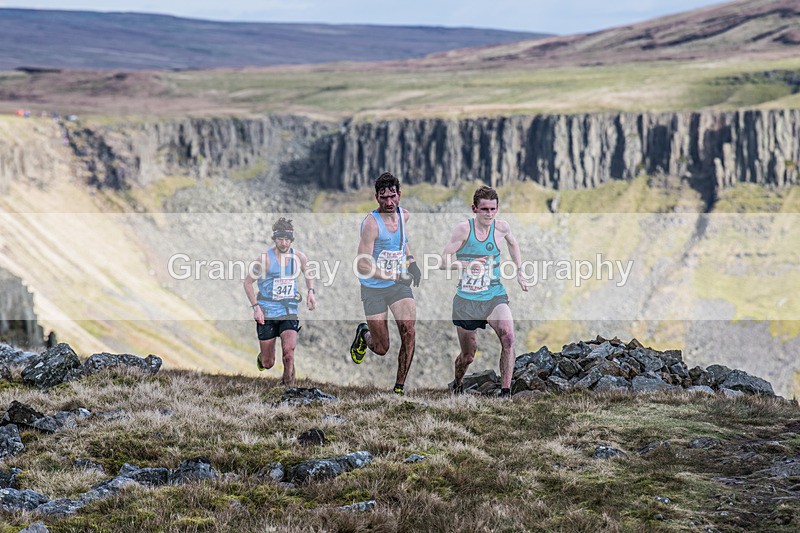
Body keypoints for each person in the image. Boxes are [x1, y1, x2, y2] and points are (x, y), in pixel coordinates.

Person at [440, 185, 528, 397]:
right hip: (467, 300)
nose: (489, 214)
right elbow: (443, 261)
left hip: (493, 295)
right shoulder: (464, 230)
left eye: (493, 209)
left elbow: (513, 244)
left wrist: (520, 270)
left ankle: (505, 393)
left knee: (508, 336)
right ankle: (458, 384)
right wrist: (466, 265)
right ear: (474, 209)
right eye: (484, 209)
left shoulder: (501, 228)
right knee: (468, 355)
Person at [349, 172, 422, 395]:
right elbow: (361, 265)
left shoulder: (404, 216)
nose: (389, 202)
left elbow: (402, 242)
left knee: (408, 330)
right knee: (382, 348)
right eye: (383, 198)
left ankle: (399, 388)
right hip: (373, 288)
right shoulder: (371, 224)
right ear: (376, 198)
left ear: (399, 195)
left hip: (398, 286)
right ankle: (364, 334)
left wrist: (411, 262)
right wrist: (393, 275)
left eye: (392, 196)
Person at [244, 218, 316, 386]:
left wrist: (311, 292)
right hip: (267, 311)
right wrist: (256, 308)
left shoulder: (299, 257)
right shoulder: (264, 259)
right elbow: (247, 283)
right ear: (274, 239)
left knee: (289, 354)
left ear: (291, 239)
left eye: (287, 239)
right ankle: (263, 358)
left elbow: (308, 273)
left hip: (288, 309)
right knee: (268, 363)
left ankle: (287, 389)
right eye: (280, 239)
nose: (284, 243)